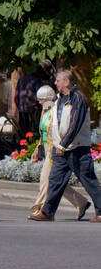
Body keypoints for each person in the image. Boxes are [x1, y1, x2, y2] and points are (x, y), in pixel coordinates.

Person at [31, 70, 101, 222]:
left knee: (88, 180)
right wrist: (56, 145)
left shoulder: (78, 99)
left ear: (67, 82)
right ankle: (48, 212)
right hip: (60, 149)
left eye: (58, 80)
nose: (55, 83)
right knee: (55, 180)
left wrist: (62, 145)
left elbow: (75, 124)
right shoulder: (60, 100)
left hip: (77, 148)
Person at [29, 85, 88, 221]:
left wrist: (56, 150)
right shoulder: (45, 112)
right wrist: (37, 149)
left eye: (41, 100)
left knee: (46, 180)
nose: (39, 102)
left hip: (54, 150)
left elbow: (60, 132)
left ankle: (41, 209)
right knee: (56, 183)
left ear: (48, 99)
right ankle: (81, 202)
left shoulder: (56, 112)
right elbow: (43, 133)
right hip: (47, 148)